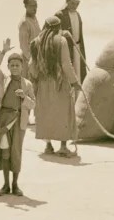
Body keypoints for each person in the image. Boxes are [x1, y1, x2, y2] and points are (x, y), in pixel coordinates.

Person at [29, 16, 81, 157]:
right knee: (64, 113)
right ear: (58, 27)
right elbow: (66, 64)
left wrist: (35, 80)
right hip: (60, 83)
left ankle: (48, 146)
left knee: (45, 114)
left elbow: (32, 66)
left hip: (43, 84)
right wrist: (75, 82)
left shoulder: (35, 42)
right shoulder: (61, 41)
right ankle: (63, 147)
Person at [0, 40, 35, 196]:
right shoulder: (4, 79)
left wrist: (24, 98)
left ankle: (15, 185)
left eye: (18, 65)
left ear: (22, 67)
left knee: (16, 152)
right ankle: (5, 185)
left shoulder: (27, 84)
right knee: (5, 151)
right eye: (12, 65)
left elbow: (33, 105)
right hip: (4, 119)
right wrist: (3, 52)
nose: (15, 67)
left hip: (19, 121)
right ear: (8, 67)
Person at [56, 0, 87, 80]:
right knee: (68, 74)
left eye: (77, 4)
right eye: (73, 3)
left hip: (77, 48)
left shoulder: (78, 14)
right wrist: (62, 32)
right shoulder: (60, 14)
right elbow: (50, 31)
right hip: (66, 48)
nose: (75, 6)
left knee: (79, 74)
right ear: (67, 2)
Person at [17, 0, 41, 76]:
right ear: (25, 6)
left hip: (37, 58)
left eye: (36, 6)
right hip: (28, 62)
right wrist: (32, 62)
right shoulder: (24, 22)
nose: (35, 8)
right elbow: (24, 47)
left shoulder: (34, 18)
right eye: (31, 6)